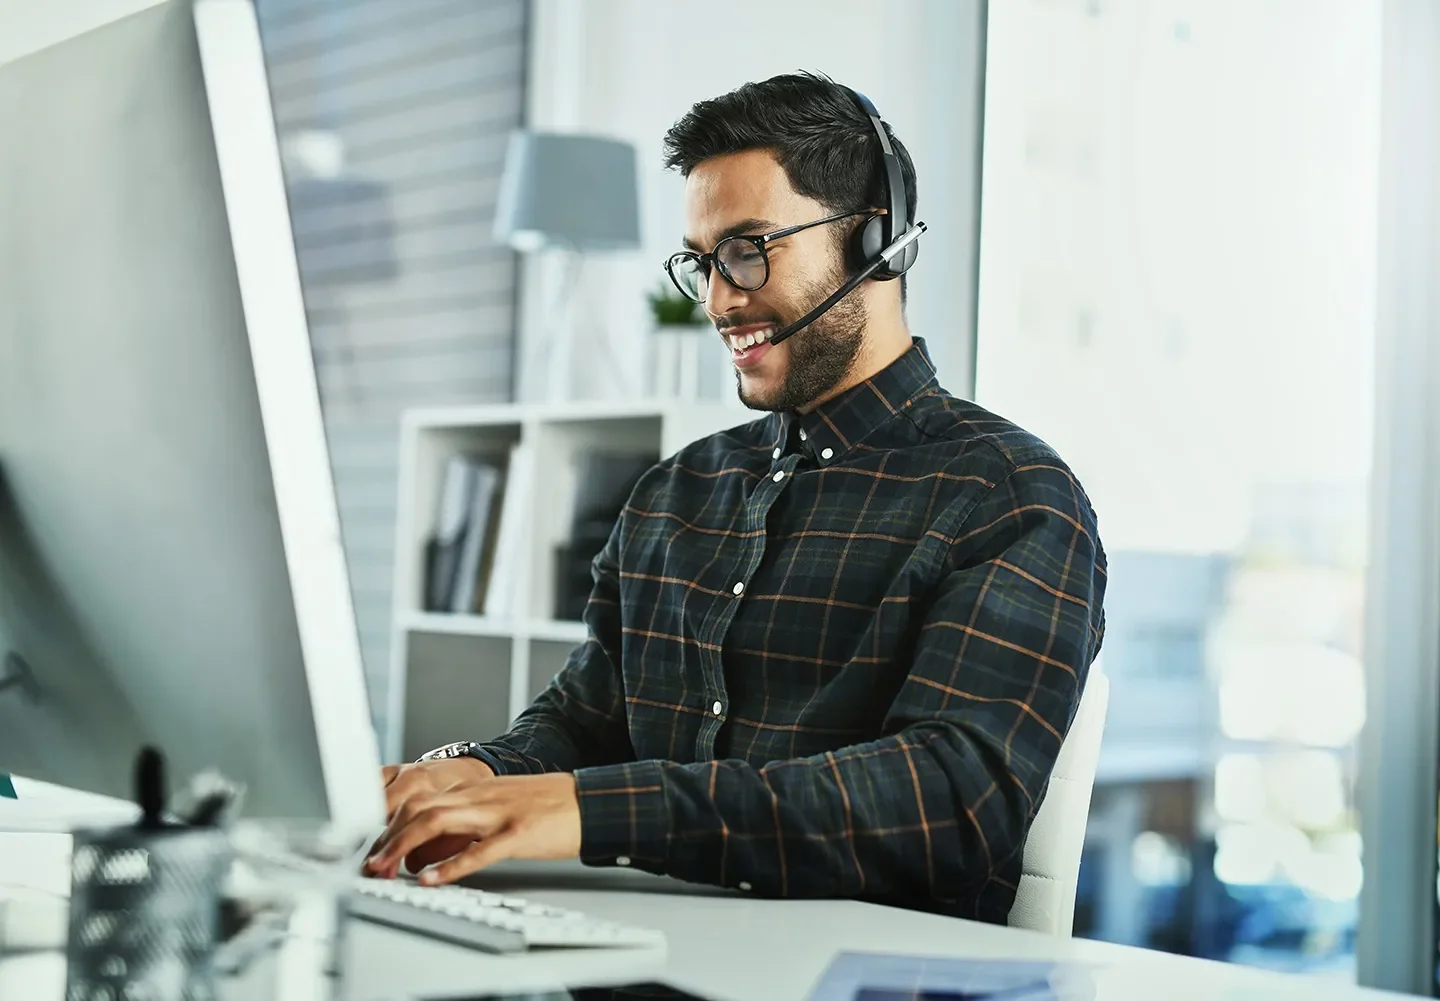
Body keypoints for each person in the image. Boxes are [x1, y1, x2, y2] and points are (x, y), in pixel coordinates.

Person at [365, 72, 1107, 923]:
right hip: (641, 948)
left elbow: (947, 802)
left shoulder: (1008, 495)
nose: (719, 299)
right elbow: (585, 719)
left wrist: (594, 810)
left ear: (877, 240)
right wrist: (479, 774)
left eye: (750, 250)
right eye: (702, 261)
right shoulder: (676, 492)